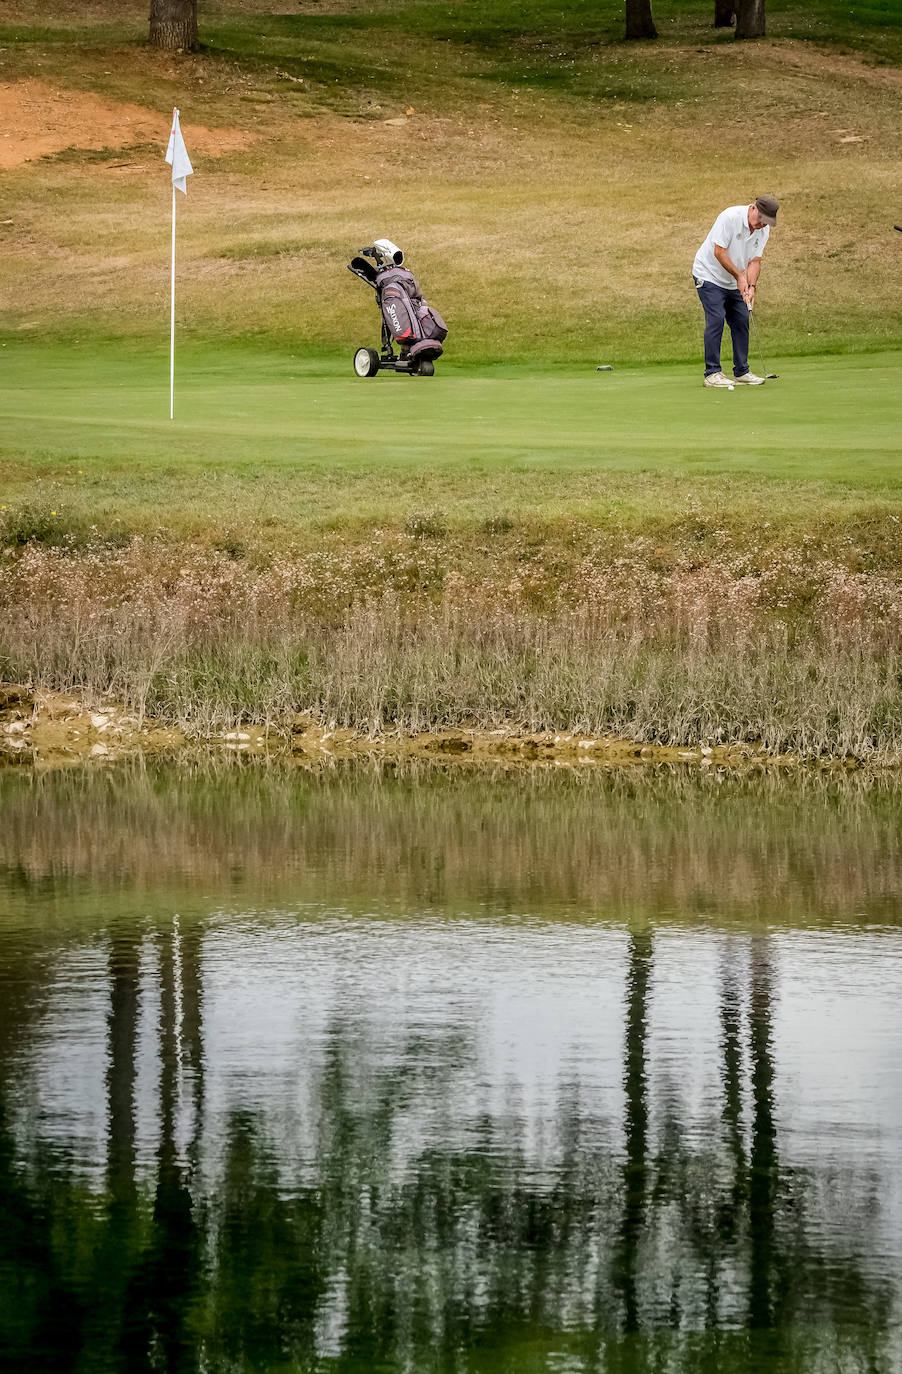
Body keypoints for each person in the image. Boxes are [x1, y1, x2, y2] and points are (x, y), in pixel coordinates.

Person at [692, 194, 779, 388]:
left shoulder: (762, 231)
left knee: (741, 320)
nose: (762, 225)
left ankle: (742, 371)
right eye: (761, 220)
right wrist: (740, 277)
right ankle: (712, 373)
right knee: (716, 319)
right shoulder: (729, 217)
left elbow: (755, 261)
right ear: (753, 208)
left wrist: (751, 286)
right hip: (708, 275)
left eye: (767, 222)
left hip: (733, 281)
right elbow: (719, 252)